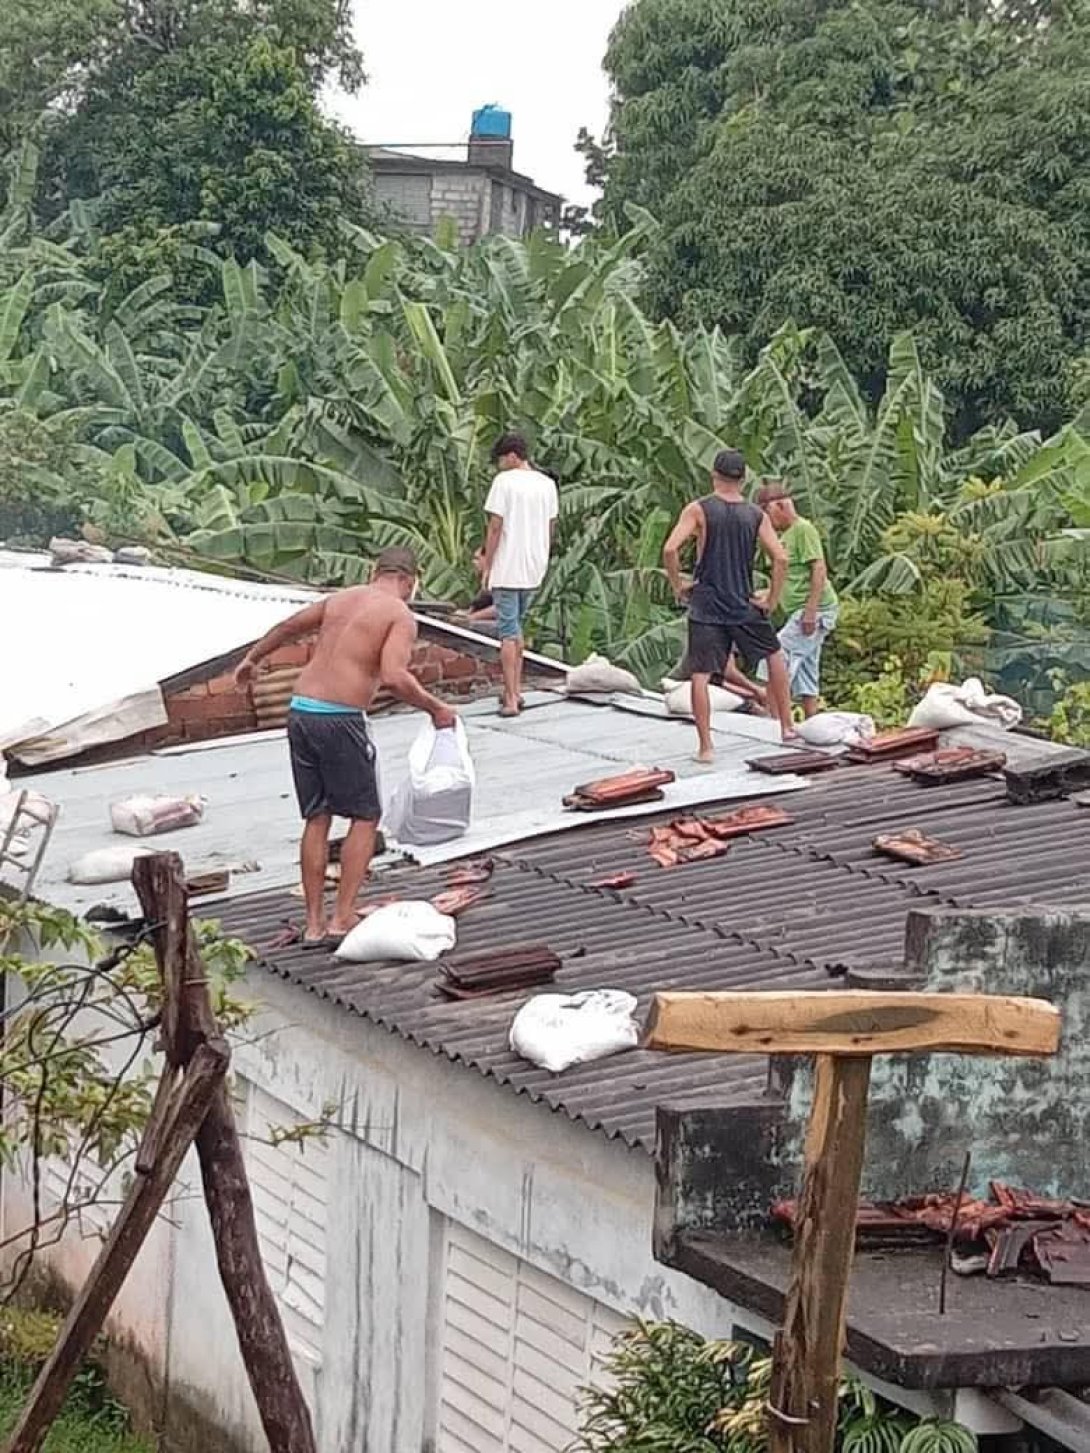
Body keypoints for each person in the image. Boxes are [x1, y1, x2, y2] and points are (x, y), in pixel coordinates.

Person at [234, 548, 456, 948]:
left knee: (317, 817)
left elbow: (288, 626)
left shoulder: (341, 599)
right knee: (365, 816)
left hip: (300, 711)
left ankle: (314, 922)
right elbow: (394, 676)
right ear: (410, 580)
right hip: (339, 719)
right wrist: (435, 707)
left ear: (375, 572)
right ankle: (342, 916)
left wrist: (252, 660)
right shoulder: (399, 615)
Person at [663, 448, 794, 761]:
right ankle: (787, 726)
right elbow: (781, 557)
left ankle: (706, 747)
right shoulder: (755, 515)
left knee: (701, 673)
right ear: (744, 479)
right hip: (743, 600)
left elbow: (670, 549)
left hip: (707, 602)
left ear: (714, 476)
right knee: (774, 654)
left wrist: (678, 585)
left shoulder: (699, 510)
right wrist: (772, 599)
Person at [480, 433, 558, 716]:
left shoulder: (504, 483)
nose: (500, 465)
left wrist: (488, 563)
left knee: (508, 634)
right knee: (517, 629)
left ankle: (511, 698)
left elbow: (495, 526)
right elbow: (551, 526)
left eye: (501, 459)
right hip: (533, 567)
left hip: (507, 567)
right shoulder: (547, 484)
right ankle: (515, 690)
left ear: (512, 456)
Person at [756, 479, 839, 719]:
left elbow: (819, 569)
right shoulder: (786, 536)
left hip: (815, 609)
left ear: (781, 506)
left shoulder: (803, 530)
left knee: (775, 658)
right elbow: (790, 577)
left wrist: (810, 611)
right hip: (800, 610)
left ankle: (773, 719)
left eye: (768, 513)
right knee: (806, 671)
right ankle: (812, 720)